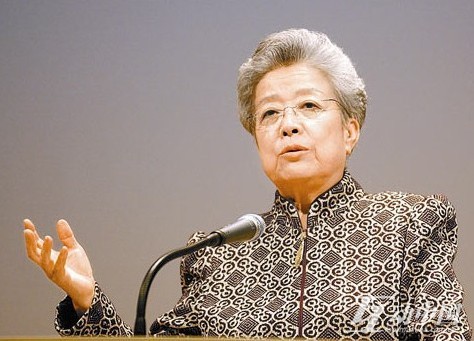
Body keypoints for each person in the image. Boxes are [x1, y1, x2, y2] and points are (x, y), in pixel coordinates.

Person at [24, 28, 471, 340]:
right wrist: (87, 302)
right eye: (270, 114)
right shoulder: (214, 254)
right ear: (255, 136)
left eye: (309, 106)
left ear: (350, 130)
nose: (288, 125)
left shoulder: (412, 223)